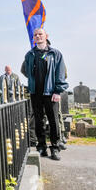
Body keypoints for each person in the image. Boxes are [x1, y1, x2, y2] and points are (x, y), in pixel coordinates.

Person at [21, 28, 68, 160]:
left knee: (53, 121)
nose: (38, 36)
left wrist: (58, 90)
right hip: (36, 92)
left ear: (46, 36)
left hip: (51, 92)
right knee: (38, 120)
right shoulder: (30, 54)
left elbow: (60, 73)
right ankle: (41, 147)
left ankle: (55, 147)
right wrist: (32, 80)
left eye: (40, 34)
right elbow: (25, 70)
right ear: (33, 38)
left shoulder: (55, 53)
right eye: (35, 35)